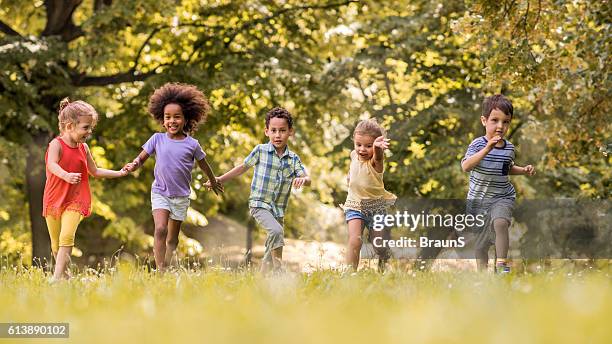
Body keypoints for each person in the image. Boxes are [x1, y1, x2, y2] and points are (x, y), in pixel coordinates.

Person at [124, 83, 223, 271]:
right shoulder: (157, 139)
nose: (172, 121)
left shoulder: (192, 144)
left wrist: (213, 179)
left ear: (186, 119)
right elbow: (141, 158)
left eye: (177, 117)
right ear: (162, 119)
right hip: (160, 192)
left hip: (181, 197)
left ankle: (167, 264)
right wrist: (133, 165)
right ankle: (160, 270)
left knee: (172, 238)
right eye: (167, 117)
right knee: (160, 229)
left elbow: (203, 164)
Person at [208, 107, 310, 272]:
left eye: (282, 130)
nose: (278, 135)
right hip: (259, 204)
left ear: (290, 132)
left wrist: (303, 180)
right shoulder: (260, 151)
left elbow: (308, 179)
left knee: (273, 246)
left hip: (279, 209)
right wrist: (219, 179)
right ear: (266, 131)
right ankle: (279, 271)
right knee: (277, 232)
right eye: (274, 130)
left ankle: (262, 281)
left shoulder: (293, 159)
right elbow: (242, 167)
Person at [43, 98, 128, 280]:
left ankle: (56, 278)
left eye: (90, 127)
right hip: (54, 198)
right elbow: (51, 164)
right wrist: (66, 175)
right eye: (85, 127)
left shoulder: (84, 148)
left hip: (76, 199)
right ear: (69, 126)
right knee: (56, 243)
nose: (89, 132)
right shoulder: (56, 145)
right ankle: (65, 276)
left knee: (67, 235)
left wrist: (119, 173)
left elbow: (95, 171)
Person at [461, 94, 535, 273]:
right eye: (495, 120)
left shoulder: (509, 148)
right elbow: (466, 166)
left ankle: (501, 265)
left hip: (502, 196)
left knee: (501, 223)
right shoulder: (477, 144)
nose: (500, 126)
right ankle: (482, 275)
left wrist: (523, 170)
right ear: (484, 121)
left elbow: (506, 169)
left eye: (506, 122)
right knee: (480, 245)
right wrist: (487, 149)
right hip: (478, 201)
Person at [343, 119, 396, 271]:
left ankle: (384, 261)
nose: (362, 149)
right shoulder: (353, 155)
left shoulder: (376, 162)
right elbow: (354, 169)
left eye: (368, 146)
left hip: (376, 208)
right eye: (358, 144)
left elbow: (378, 156)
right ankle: (349, 274)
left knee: (378, 245)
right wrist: (349, 177)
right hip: (355, 205)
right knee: (355, 240)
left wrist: (378, 148)